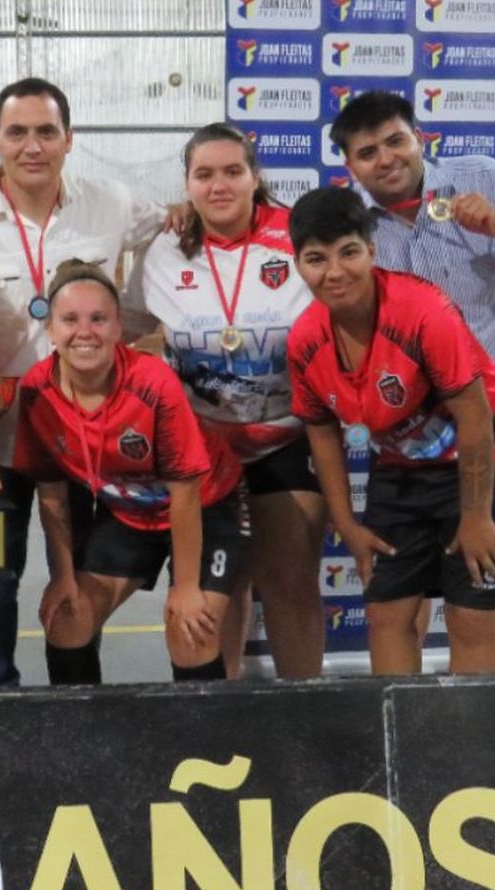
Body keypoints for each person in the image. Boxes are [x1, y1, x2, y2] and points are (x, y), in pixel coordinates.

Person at [330, 91, 495, 671]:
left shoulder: (484, 180)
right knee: (402, 590)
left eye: (396, 140)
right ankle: (407, 716)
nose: (386, 158)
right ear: (350, 167)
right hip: (409, 437)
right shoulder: (352, 227)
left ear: (419, 137)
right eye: (367, 152)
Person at [0, 77, 168, 686]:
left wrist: (145, 332)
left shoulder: (112, 203)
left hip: (86, 442)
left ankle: (77, 711)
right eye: (17, 132)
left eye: (46, 132)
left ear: (68, 138)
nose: (32, 146)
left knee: (79, 589)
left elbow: (180, 233)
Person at [285, 186, 495, 675]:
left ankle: (467, 745)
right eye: (317, 259)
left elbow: (474, 416)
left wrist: (475, 517)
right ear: (297, 264)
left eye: (349, 253)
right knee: (385, 614)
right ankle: (399, 738)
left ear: (372, 251)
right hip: (406, 465)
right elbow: (323, 437)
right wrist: (347, 525)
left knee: (469, 620)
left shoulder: (423, 312)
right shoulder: (305, 341)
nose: (335, 272)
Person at [134, 123, 324, 680]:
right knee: (223, 584)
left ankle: (303, 710)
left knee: (290, 581)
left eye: (232, 172)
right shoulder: (165, 249)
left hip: (285, 438)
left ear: (255, 177)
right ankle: (226, 708)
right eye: (204, 174)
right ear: (187, 183)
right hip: (201, 449)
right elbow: (123, 325)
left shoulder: (297, 238)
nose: (219, 186)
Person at [15, 261, 244, 684]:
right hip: (131, 516)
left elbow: (186, 493)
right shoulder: (36, 391)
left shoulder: (152, 382)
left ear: (119, 327)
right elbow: (51, 496)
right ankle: (85, 743)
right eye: (69, 319)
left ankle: (205, 747)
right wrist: (63, 576)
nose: (85, 332)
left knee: (189, 629)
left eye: (99, 318)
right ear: (49, 329)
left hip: (207, 506)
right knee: (69, 619)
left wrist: (187, 588)